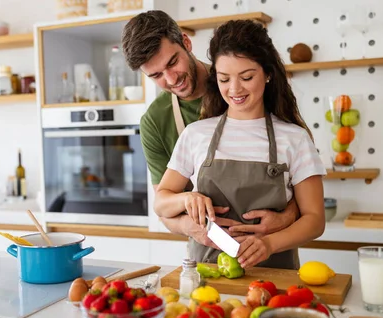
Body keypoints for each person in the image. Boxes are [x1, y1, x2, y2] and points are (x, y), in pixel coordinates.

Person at [121, 10, 300, 261]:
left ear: (186, 42)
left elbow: (299, 182)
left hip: (271, 250)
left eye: (172, 63)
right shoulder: (155, 120)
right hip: (209, 255)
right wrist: (190, 227)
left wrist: (287, 217)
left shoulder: (242, 85)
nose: (171, 79)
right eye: (156, 75)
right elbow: (164, 206)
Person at [153, 19, 326, 269]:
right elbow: (161, 202)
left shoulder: (294, 138)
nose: (234, 89)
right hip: (207, 279)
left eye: (246, 77)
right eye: (224, 79)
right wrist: (186, 199)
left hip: (275, 281)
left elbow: (315, 220)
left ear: (267, 74)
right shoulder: (195, 134)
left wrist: (270, 244)